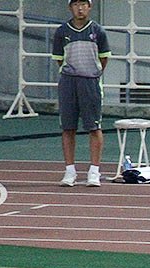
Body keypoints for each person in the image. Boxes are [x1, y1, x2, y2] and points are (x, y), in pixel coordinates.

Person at [51, 0, 110, 188]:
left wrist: (92, 73)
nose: (80, 8)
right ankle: (70, 171)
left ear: (90, 6)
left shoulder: (98, 31)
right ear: (70, 7)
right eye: (76, 4)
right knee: (68, 127)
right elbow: (59, 59)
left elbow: (104, 58)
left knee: (94, 127)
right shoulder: (62, 32)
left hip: (90, 82)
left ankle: (94, 171)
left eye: (84, 4)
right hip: (68, 82)